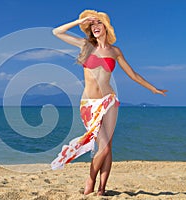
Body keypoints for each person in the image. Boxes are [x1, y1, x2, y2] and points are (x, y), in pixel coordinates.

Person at [50, 10, 167, 196]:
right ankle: (91, 179)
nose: (95, 26)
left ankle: (102, 188)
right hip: (89, 104)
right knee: (102, 146)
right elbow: (57, 32)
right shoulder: (86, 45)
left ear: (106, 27)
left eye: (99, 23)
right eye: (92, 24)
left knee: (108, 147)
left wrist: (153, 89)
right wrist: (79, 21)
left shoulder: (115, 51)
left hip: (109, 102)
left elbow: (133, 74)